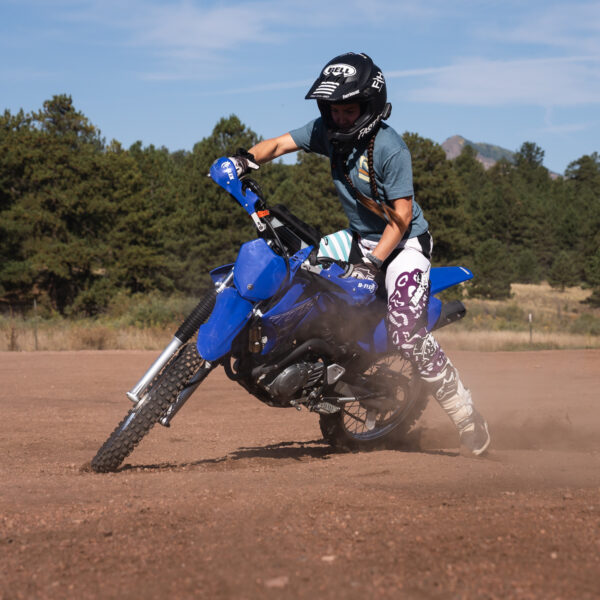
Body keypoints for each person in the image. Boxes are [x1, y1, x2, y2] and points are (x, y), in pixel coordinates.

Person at [228, 52, 490, 456]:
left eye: (349, 110)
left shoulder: (390, 147)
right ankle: (313, 369)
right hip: (358, 238)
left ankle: (467, 417)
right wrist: (243, 160)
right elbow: (280, 144)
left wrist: (371, 264)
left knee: (406, 330)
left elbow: (401, 216)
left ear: (369, 107)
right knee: (301, 270)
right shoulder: (327, 131)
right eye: (334, 109)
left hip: (402, 247)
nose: (341, 117)